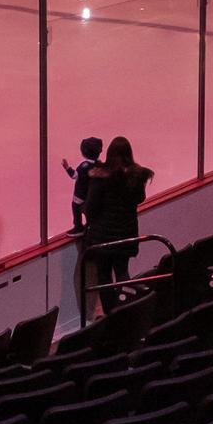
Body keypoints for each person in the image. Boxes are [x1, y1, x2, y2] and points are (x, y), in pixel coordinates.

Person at [78, 137, 151, 319]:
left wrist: (83, 209)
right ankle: (124, 309)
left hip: (103, 237)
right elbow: (139, 198)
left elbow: (91, 208)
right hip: (126, 233)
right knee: (122, 270)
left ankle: (112, 315)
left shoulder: (100, 178)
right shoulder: (136, 176)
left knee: (104, 276)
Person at [61, 136, 102, 236]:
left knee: (76, 208)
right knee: (89, 211)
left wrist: (67, 168)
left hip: (80, 194)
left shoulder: (84, 166)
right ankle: (90, 225)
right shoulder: (99, 165)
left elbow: (75, 175)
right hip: (91, 194)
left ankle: (78, 226)